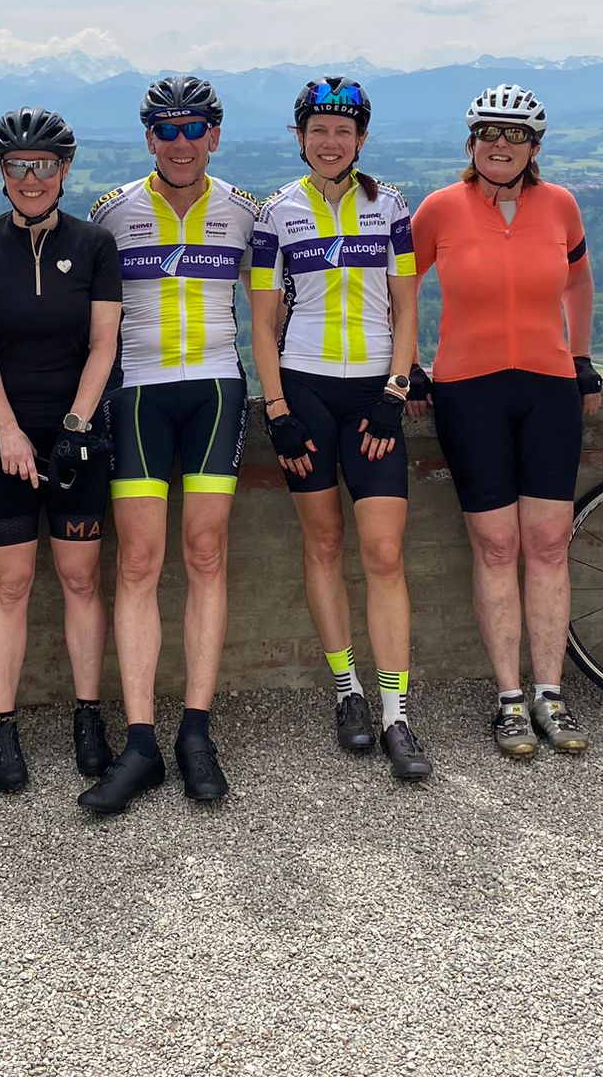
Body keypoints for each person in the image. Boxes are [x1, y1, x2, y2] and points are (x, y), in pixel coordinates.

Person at [80, 76, 261, 815]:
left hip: (217, 389)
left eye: (195, 129)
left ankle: (196, 731)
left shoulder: (246, 213)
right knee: (140, 563)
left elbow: (278, 312)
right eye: (166, 128)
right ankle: (141, 741)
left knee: (207, 553)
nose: (181, 142)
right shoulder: (112, 211)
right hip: (140, 394)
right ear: (148, 136)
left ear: (214, 136)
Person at [409, 85, 601, 761]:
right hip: (468, 390)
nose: (500, 143)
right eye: (489, 131)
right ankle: (510, 700)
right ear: (471, 141)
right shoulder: (440, 209)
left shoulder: (561, 206)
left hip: (549, 389)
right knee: (495, 545)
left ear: (535, 148)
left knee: (548, 543)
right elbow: (400, 286)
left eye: (515, 135)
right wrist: (407, 364)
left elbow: (578, 281)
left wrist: (581, 356)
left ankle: (550, 691)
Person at [250, 77, 431, 782]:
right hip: (305, 389)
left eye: (344, 130)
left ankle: (397, 713)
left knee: (383, 553)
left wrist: (395, 388)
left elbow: (408, 305)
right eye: (319, 130)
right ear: (301, 138)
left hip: (371, 396)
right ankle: (346, 691)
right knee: (323, 542)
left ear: (361, 139)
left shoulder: (390, 205)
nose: (331, 141)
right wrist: (277, 410)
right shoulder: (278, 213)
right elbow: (262, 323)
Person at [0, 108, 123, 794]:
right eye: (17, 166)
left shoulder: (96, 243)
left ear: (64, 171)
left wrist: (76, 427)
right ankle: (3, 725)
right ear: (2, 171)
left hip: (78, 431)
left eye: (43, 165)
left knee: (81, 580)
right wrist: (12, 432)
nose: (30, 177)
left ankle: (88, 718)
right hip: (2, 434)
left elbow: (104, 343)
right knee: (11, 584)